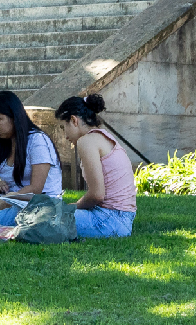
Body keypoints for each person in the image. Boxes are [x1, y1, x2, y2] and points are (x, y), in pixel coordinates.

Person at [0, 90, 66, 225]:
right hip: (6, 199)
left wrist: (9, 197)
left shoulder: (37, 141)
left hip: (37, 203)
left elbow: (36, 189)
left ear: (14, 117)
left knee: (3, 203)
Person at [56, 94, 137, 238]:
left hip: (110, 220)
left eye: (64, 127)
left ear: (74, 120)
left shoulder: (86, 141)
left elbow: (97, 195)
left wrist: (71, 207)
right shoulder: (104, 136)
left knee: (44, 219)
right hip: (122, 219)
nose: (65, 135)